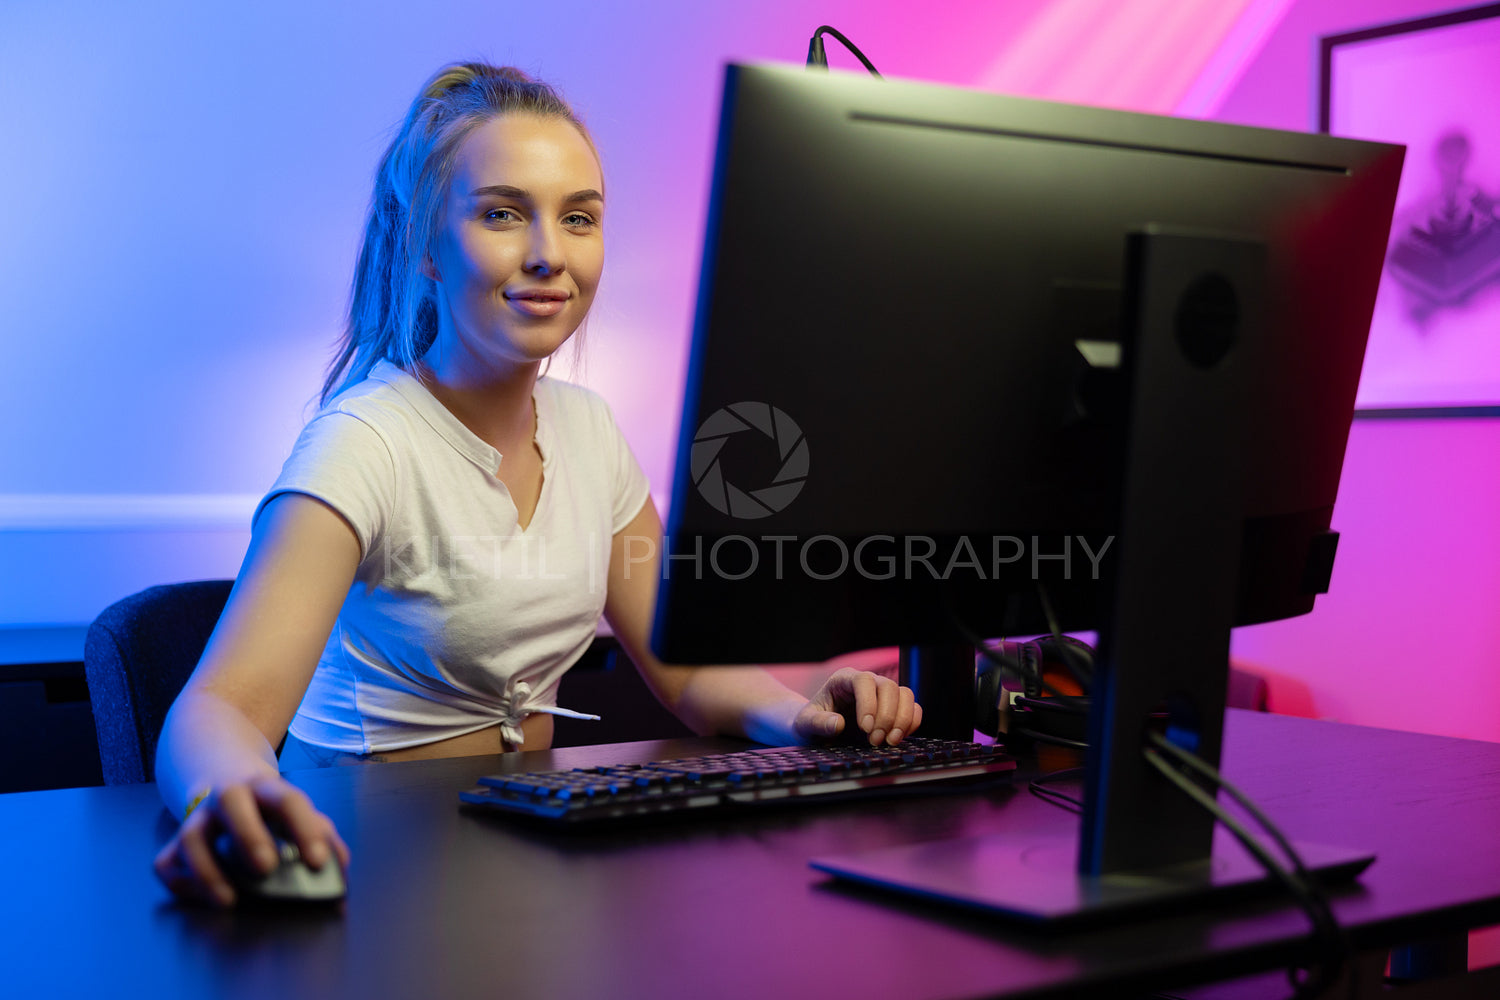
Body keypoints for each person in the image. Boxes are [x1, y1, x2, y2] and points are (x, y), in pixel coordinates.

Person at [152, 62, 923, 907]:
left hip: (526, 849)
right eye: (502, 214)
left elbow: (689, 675)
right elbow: (218, 708)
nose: (550, 255)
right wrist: (230, 794)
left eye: (579, 218)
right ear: (428, 248)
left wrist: (804, 712)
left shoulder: (587, 427)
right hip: (369, 861)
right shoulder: (362, 444)